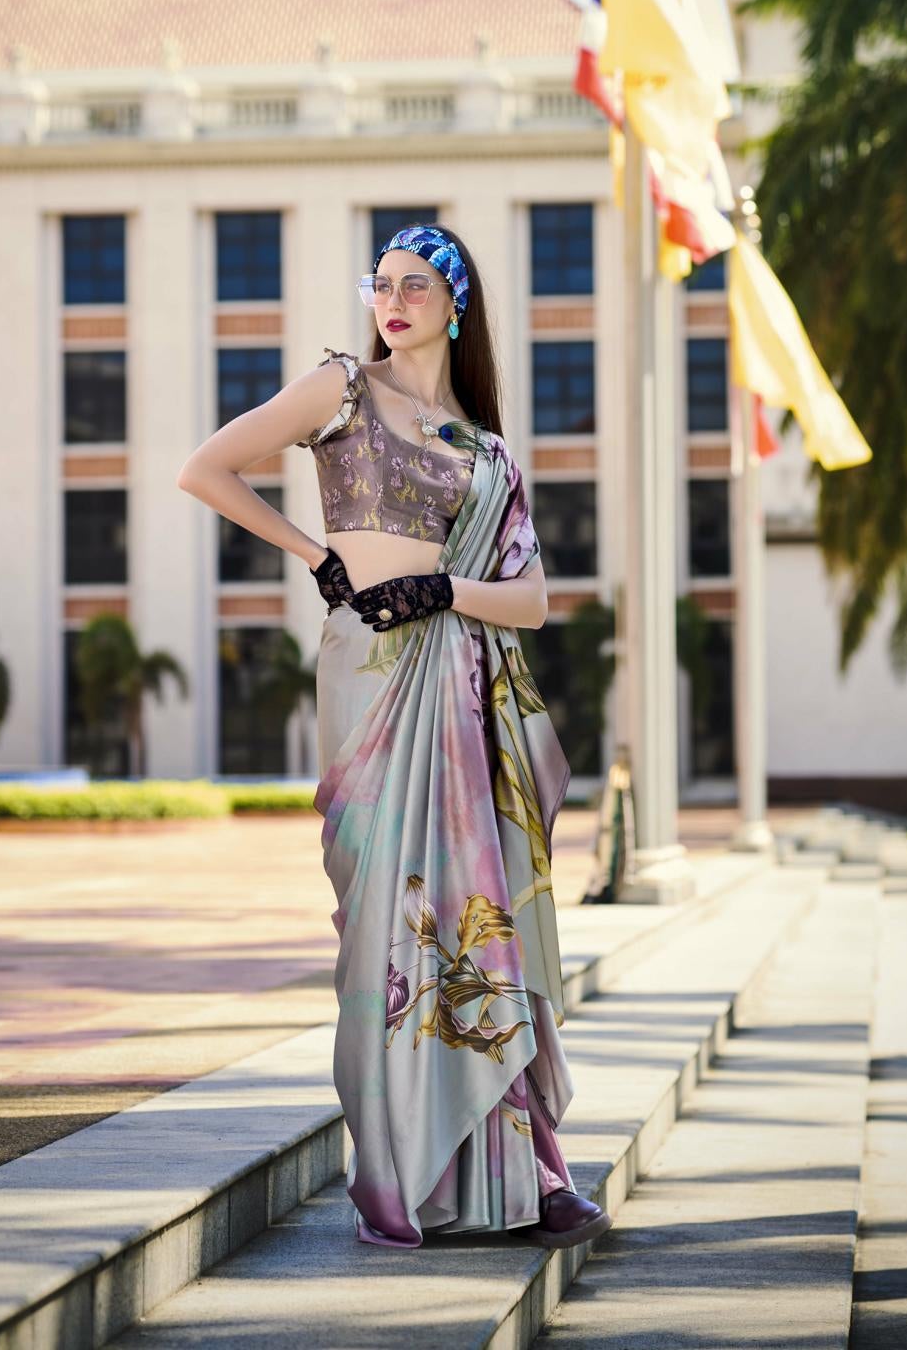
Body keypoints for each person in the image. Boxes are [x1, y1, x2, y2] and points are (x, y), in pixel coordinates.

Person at [177, 223, 610, 1251]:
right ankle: (405, 1177)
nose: (394, 300)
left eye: (417, 285)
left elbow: (532, 600)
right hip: (370, 682)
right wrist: (314, 554)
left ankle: (515, 1175)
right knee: (384, 931)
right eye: (382, 283)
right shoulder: (342, 389)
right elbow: (207, 468)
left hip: (459, 695)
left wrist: (445, 589)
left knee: (474, 918)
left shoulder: (488, 452)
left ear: (456, 305)